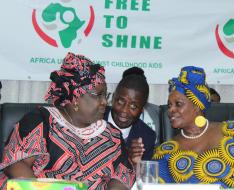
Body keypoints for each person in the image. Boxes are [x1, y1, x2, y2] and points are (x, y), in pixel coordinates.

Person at [0, 52, 135, 190]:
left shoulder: (112, 136)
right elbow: (17, 165)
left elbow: (121, 177)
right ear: (75, 97)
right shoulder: (42, 122)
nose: (104, 102)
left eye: (105, 95)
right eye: (98, 95)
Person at [131, 66, 234, 188]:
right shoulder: (167, 150)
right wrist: (138, 163)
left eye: (178, 104)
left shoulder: (231, 130)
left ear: (197, 106)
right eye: (169, 105)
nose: (171, 110)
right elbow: (154, 184)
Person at [104, 67, 156, 161]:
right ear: (113, 97)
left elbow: (143, 174)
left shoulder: (147, 136)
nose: (124, 110)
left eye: (133, 106)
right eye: (120, 101)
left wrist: (133, 162)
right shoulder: (94, 119)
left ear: (142, 109)